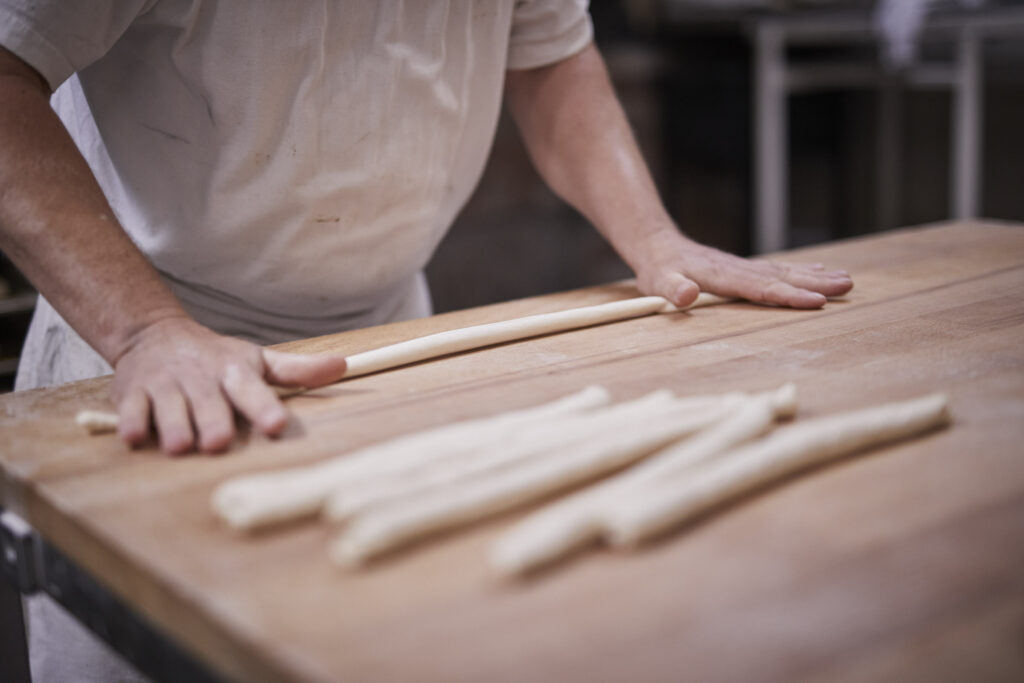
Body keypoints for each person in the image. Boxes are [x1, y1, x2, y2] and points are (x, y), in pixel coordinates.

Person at [0, 2, 853, 680]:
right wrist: (147, 328)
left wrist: (655, 239)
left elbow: (551, 55)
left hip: (390, 347)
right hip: (153, 350)